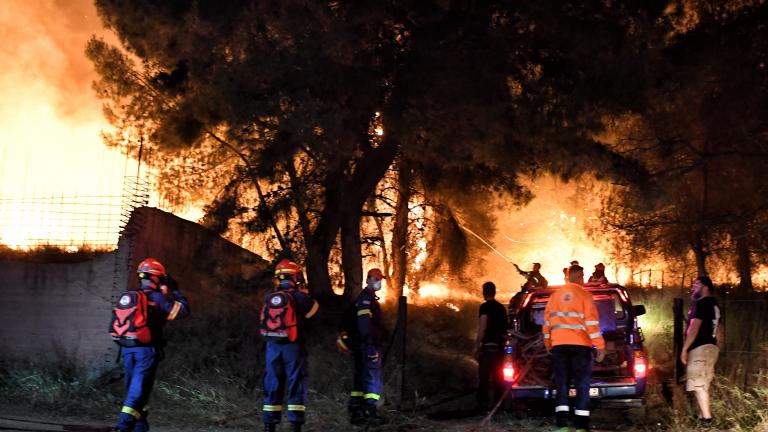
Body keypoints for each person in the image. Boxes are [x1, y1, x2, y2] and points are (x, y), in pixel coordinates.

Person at [113, 258, 190, 432]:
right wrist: (176, 291)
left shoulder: (132, 296)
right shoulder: (157, 298)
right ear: (157, 278)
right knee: (138, 390)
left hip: (127, 348)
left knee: (137, 390)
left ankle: (140, 427)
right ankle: (123, 426)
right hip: (146, 351)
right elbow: (182, 311)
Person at [543, 264, 605, 432]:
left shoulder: (555, 296)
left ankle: (562, 425)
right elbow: (592, 324)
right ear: (581, 277)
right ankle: (581, 426)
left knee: (561, 383)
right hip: (580, 346)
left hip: (559, 346)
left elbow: (547, 324)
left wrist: (549, 345)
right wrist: (600, 346)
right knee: (582, 384)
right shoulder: (585, 296)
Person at [261, 260, 319, 432]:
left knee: (272, 382)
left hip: (272, 346)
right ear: (296, 276)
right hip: (293, 346)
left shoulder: (269, 297)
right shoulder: (301, 297)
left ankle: (269, 425)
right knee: (296, 382)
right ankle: (295, 425)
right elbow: (314, 314)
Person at [681, 276, 722, 427]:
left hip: (700, 349)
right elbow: (718, 330)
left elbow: (694, 328)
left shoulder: (701, 303)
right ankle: (701, 417)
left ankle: (707, 421)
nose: (693, 287)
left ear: (705, 287)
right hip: (711, 348)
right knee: (703, 384)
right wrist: (717, 348)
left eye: (696, 284)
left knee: (698, 385)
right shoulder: (715, 305)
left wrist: (684, 349)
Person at [349, 268, 388, 425]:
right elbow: (364, 324)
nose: (379, 282)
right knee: (373, 379)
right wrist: (370, 344)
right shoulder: (366, 299)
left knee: (360, 379)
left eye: (380, 279)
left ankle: (357, 412)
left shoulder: (368, 298)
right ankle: (371, 413)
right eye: (377, 279)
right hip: (368, 346)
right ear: (370, 279)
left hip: (362, 345)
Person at [473, 281, 509, 410]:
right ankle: (498, 405)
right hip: (499, 348)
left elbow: (482, 327)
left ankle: (483, 404)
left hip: (487, 348)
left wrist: (476, 346)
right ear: (494, 292)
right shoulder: (501, 308)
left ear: (484, 292)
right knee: (498, 377)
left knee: (484, 377)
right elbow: (506, 330)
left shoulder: (484, 307)